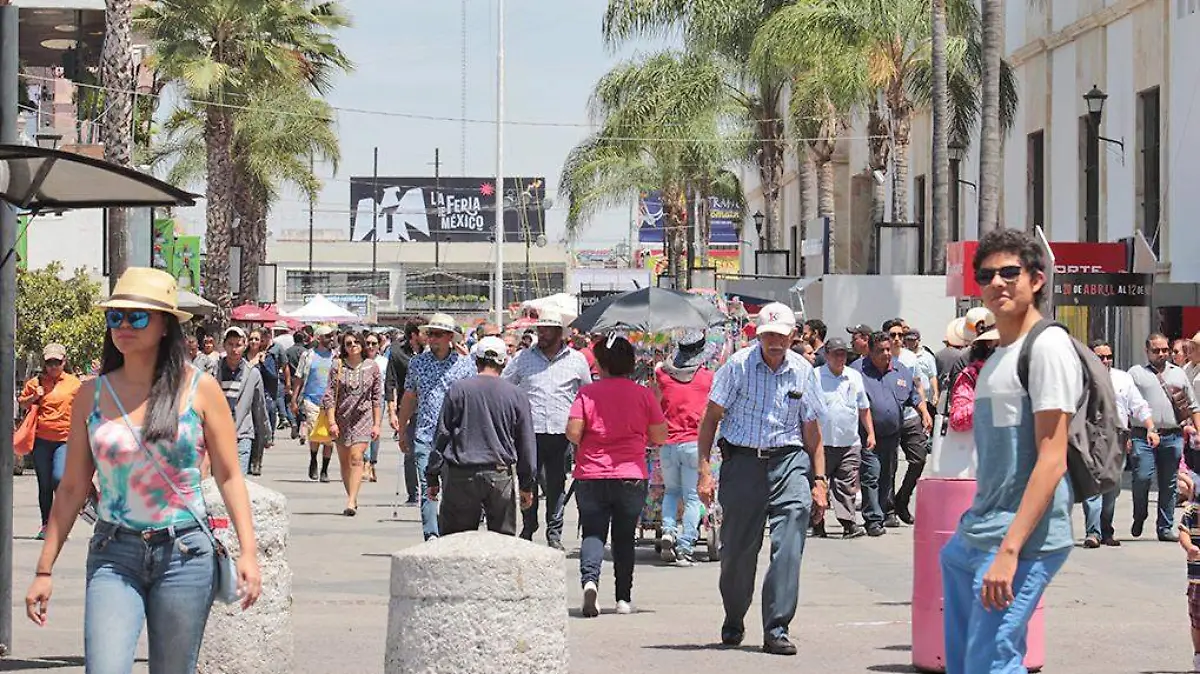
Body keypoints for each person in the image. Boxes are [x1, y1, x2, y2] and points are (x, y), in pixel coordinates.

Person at [25, 267, 261, 673]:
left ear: (165, 326)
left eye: (137, 316)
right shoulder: (90, 394)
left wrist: (249, 552)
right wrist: (44, 569)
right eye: (115, 316)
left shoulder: (198, 388)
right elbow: (73, 487)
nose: (123, 326)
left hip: (185, 552)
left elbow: (228, 475)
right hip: (113, 552)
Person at [939, 229, 1081, 673]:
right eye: (987, 275)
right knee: (966, 663)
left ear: (1036, 279)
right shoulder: (998, 356)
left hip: (1023, 539)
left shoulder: (1048, 347)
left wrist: (1010, 549)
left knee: (993, 661)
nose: (998, 282)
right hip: (978, 532)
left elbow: (1052, 458)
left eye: (1009, 272)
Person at [696, 302, 827, 656]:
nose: (775, 342)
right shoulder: (737, 367)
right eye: (768, 335)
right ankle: (734, 615)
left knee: (789, 546)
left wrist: (819, 480)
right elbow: (710, 419)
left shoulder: (804, 371)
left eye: (781, 336)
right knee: (738, 552)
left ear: (792, 336)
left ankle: (777, 627)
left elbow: (812, 430)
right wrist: (705, 470)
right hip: (743, 465)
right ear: (758, 334)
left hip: (789, 463)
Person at [568, 333, 667, 617]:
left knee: (593, 532)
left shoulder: (587, 393)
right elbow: (660, 435)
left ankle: (590, 582)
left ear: (601, 364)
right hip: (631, 474)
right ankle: (623, 598)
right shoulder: (643, 394)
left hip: (591, 473)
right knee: (624, 537)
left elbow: (573, 433)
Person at [502, 309, 593, 550]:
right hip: (529, 433)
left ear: (559, 333)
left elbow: (587, 394)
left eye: (546, 330)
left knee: (555, 485)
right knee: (527, 481)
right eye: (539, 329)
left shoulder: (576, 360)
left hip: (561, 434)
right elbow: (504, 385)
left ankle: (554, 533)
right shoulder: (523, 358)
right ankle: (528, 526)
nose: (540, 334)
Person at [428, 336, 536, 536]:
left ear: (476, 360)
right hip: (499, 475)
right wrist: (526, 484)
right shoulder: (516, 395)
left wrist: (432, 475)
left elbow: (442, 435)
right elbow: (526, 443)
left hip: (461, 475)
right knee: (501, 544)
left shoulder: (458, 389)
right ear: (504, 362)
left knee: (456, 542)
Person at [396, 313, 477, 540]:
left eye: (438, 335)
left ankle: (449, 532)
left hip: (455, 437)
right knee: (427, 488)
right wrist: (402, 430)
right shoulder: (417, 363)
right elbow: (410, 397)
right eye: (430, 334)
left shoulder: (465, 365)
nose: (432, 339)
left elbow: (471, 402)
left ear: (450, 337)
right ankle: (431, 535)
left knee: (453, 489)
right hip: (425, 433)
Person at [1086, 339, 1157, 548]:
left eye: (1109, 357)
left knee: (1113, 486)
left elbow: (1139, 406)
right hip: (1091, 436)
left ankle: (1106, 529)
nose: (1106, 361)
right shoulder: (1080, 378)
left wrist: (1151, 428)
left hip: (1117, 437)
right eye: (1101, 357)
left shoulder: (1123, 379)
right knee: (1094, 485)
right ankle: (1093, 532)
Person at [1129, 333, 1200, 541]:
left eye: (1164, 350)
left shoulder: (1179, 374)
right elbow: (1125, 403)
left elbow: (1193, 406)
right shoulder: (1136, 374)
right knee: (1142, 477)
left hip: (1172, 436)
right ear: (1147, 351)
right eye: (1156, 350)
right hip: (1143, 435)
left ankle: (1165, 527)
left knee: (1169, 482)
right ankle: (1140, 515)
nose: (1162, 354)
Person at [652, 331, 715, 566]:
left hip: (668, 444)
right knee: (692, 497)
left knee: (671, 492)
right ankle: (685, 546)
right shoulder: (708, 378)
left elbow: (654, 403)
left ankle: (668, 530)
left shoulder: (662, 375)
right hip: (694, 445)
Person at [18, 343, 82, 538]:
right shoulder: (35, 383)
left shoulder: (74, 384)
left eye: (57, 362)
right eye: (49, 363)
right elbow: (22, 403)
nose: (53, 367)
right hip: (41, 441)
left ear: (64, 362)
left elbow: (85, 408)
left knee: (59, 478)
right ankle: (47, 525)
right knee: (44, 484)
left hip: (65, 440)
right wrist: (33, 397)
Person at [814, 337, 873, 539]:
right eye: (836, 353)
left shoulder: (854, 376)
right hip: (822, 443)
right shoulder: (815, 376)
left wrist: (870, 432)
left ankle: (848, 523)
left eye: (843, 354)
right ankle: (817, 522)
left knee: (846, 484)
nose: (840, 358)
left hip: (849, 442)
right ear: (826, 355)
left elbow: (864, 407)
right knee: (819, 481)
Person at [323, 331, 383, 516]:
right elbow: (329, 396)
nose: (353, 345)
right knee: (345, 461)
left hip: (362, 418)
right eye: (348, 343)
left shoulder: (372, 367)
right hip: (341, 418)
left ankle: (350, 501)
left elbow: (376, 397)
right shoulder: (337, 366)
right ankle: (353, 496)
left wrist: (377, 424)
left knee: (357, 457)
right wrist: (332, 422)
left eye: (357, 342)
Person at [216, 327, 272, 475]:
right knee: (219, 481)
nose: (234, 349)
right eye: (230, 344)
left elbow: (259, 406)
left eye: (238, 345)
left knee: (239, 479)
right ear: (224, 345)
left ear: (244, 345)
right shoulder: (215, 371)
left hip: (243, 433)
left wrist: (266, 434)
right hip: (218, 434)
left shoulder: (252, 374)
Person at [387, 321, 425, 505]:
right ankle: (413, 493)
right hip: (407, 406)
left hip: (429, 406)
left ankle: (429, 489)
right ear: (414, 334)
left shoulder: (432, 351)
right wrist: (392, 411)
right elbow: (390, 382)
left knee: (429, 450)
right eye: (423, 332)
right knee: (409, 451)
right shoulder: (397, 352)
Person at [293, 325, 337, 482]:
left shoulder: (336, 356)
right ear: (319, 338)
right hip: (311, 400)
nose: (331, 338)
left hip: (331, 402)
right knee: (315, 435)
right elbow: (299, 377)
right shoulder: (308, 355)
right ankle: (313, 460)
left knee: (330, 437)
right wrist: (294, 399)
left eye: (332, 335)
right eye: (327, 336)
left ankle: (325, 469)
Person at [245, 328, 278, 475]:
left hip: (261, 397)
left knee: (259, 429)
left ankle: (256, 462)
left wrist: (263, 364)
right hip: (244, 397)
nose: (253, 342)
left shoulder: (267, 357)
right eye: (251, 339)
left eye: (256, 339)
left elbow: (273, 377)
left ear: (261, 342)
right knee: (246, 429)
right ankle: (246, 459)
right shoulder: (242, 357)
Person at [1178, 478, 1200, 672]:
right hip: (1198, 578)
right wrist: (1189, 547)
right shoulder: (1192, 512)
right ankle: (1199, 655)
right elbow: (1183, 532)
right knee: (1197, 620)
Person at [364, 331, 389, 483]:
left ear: (379, 345)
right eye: (368, 343)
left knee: (375, 432)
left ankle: (373, 462)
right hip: (362, 400)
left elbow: (389, 382)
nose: (371, 346)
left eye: (374, 343)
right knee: (364, 431)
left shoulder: (384, 362)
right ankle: (365, 462)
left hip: (379, 400)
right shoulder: (360, 361)